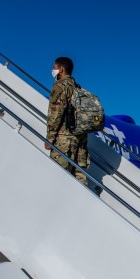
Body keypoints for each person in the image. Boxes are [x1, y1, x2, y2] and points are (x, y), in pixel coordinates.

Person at [45, 57, 89, 186]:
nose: (53, 70)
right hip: (79, 139)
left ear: (61, 69)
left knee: (57, 178)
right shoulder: (79, 89)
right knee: (79, 179)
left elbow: (56, 112)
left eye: (54, 67)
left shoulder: (60, 85)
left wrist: (50, 137)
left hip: (64, 139)